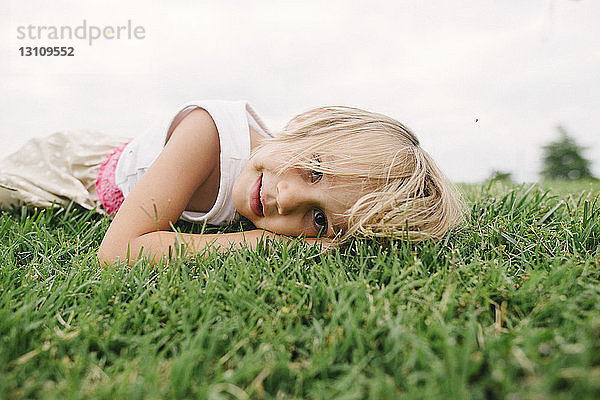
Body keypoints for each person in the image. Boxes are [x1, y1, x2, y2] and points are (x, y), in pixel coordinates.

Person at [0, 100, 464, 265]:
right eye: (315, 170)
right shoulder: (210, 133)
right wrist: (268, 245)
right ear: (312, 121)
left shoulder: (273, 187)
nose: (287, 200)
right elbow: (117, 254)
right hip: (73, 166)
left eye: (318, 218)